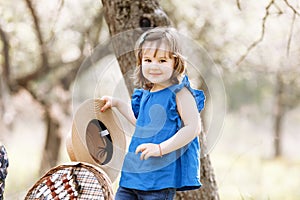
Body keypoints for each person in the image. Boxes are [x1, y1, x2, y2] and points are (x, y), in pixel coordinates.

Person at [100, 27, 205, 200]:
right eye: (148, 60)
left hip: (159, 179)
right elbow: (141, 122)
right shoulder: (146, 93)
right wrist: (118, 104)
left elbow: (193, 128)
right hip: (132, 176)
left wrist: (160, 148)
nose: (154, 66)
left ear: (175, 62)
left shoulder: (180, 92)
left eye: (162, 60)